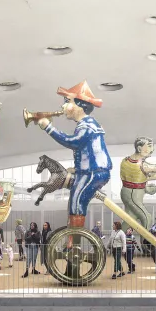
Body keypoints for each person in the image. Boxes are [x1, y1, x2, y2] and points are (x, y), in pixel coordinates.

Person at [36, 82, 112, 230]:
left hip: (93, 172)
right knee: (74, 201)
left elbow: (73, 142)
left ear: (80, 105)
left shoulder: (87, 125)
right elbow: (87, 150)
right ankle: (72, 237)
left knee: (76, 202)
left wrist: (49, 128)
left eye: (67, 102)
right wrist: (77, 169)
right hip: (89, 171)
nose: (63, 106)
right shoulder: (87, 124)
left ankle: (74, 239)